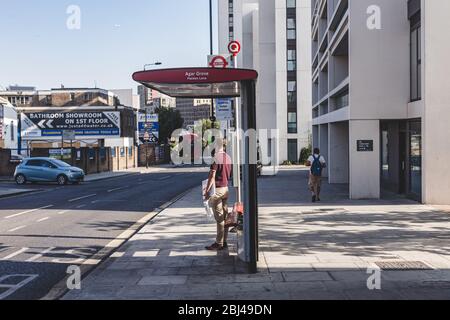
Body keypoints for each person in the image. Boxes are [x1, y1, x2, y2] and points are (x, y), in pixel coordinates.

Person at [203, 138, 232, 251]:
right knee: (224, 216)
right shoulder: (228, 157)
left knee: (219, 218)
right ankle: (224, 241)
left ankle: (218, 243)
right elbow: (229, 173)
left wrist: (207, 192)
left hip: (217, 190)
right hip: (226, 189)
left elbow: (212, 176)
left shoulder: (216, 158)